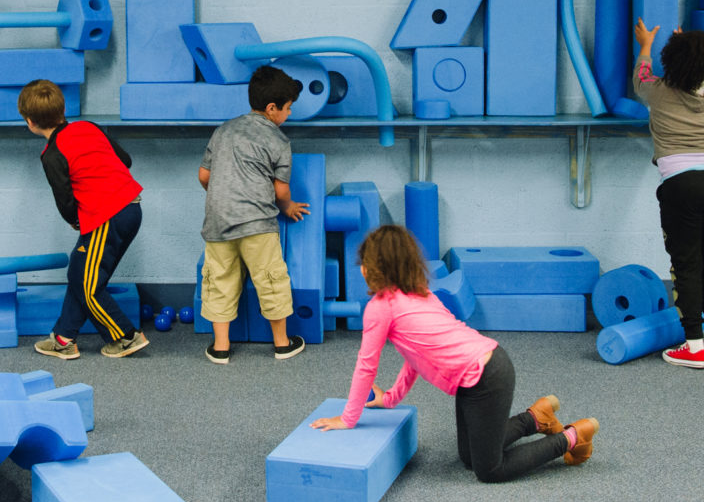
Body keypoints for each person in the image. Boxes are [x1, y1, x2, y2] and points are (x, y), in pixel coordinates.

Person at [312, 225, 598, 479]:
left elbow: (366, 366)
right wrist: (390, 398)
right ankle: (536, 418)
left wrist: (348, 419)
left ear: (372, 268)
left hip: (487, 375)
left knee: (489, 470)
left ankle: (572, 437)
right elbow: (415, 358)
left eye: (364, 262)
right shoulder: (421, 293)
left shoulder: (381, 305)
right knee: (469, 458)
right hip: (479, 374)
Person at [20, 79, 149, 359]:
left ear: (30, 123)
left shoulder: (52, 154)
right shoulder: (87, 127)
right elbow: (124, 160)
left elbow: (64, 199)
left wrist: (74, 221)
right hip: (131, 209)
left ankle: (125, 337)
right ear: (63, 110)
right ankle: (64, 338)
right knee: (81, 273)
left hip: (108, 216)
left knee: (87, 284)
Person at [632, 19, 704, 369]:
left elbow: (640, 77)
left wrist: (647, 45)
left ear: (671, 62)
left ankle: (692, 345)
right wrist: (686, 46)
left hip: (681, 182)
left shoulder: (656, 90)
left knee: (685, 263)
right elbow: (695, 72)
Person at [197, 65, 309, 363]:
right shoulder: (278, 141)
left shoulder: (223, 130)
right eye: (288, 109)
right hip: (258, 224)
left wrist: (225, 197)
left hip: (218, 222)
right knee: (271, 278)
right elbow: (281, 191)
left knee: (219, 280)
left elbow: (204, 176)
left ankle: (220, 347)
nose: (289, 115)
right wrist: (289, 207)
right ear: (272, 109)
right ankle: (282, 343)